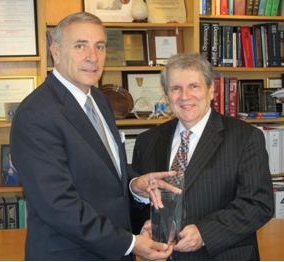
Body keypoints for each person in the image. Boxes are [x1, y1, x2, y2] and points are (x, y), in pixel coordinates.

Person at [10, 12, 178, 261]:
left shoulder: (99, 99)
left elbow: (106, 169)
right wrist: (130, 243)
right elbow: (59, 207)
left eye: (99, 46)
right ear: (55, 52)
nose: (93, 57)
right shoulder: (35, 115)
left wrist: (133, 185)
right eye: (80, 46)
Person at [132, 52, 275, 260]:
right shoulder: (146, 141)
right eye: (176, 88)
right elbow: (136, 204)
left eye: (194, 86)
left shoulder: (245, 137)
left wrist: (205, 233)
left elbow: (259, 204)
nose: (185, 96)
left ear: (211, 90)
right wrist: (146, 223)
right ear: (166, 94)